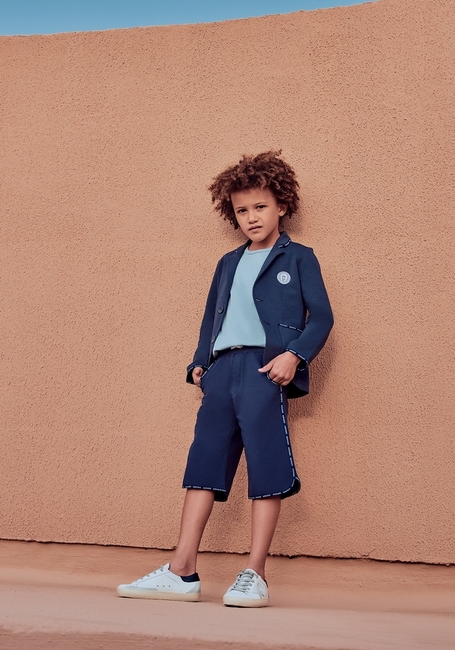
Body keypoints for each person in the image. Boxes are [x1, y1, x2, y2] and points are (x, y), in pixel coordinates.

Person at [117, 151, 334, 607]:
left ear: (282, 206)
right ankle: (181, 571)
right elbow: (211, 317)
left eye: (260, 207)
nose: (251, 217)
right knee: (204, 462)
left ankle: (255, 573)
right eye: (241, 210)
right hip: (222, 372)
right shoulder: (228, 262)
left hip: (263, 370)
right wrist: (202, 362)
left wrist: (294, 355)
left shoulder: (298, 258)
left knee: (266, 466)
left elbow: (321, 317)